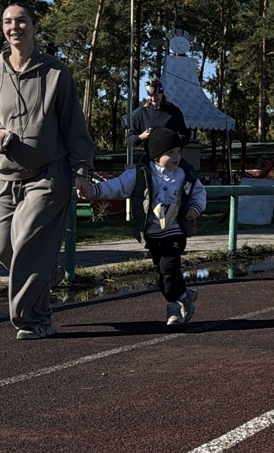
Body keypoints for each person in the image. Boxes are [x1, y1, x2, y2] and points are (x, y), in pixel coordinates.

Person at [0, 3, 95, 340]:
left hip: (48, 174)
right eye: (8, 22)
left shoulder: (56, 73)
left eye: (21, 20)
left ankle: (33, 319)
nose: (15, 27)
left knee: (28, 243)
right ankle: (48, 271)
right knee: (1, 248)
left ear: (34, 26)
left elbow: (74, 127)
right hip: (4, 176)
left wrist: (80, 171)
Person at [81, 127, 204, 325]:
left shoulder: (184, 174)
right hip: (152, 234)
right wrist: (93, 190)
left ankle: (174, 307)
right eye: (170, 152)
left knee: (168, 267)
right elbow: (116, 186)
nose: (176, 156)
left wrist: (195, 208)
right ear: (155, 155)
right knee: (164, 274)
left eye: (178, 152)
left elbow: (199, 192)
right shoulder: (139, 174)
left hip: (175, 230)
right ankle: (184, 294)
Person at [127, 78, 190, 151]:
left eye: (156, 95)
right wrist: (141, 136)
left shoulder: (174, 111)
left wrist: (176, 139)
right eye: (151, 95)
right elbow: (130, 138)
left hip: (170, 155)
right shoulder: (142, 113)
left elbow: (186, 135)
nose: (153, 98)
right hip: (150, 156)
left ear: (161, 93)